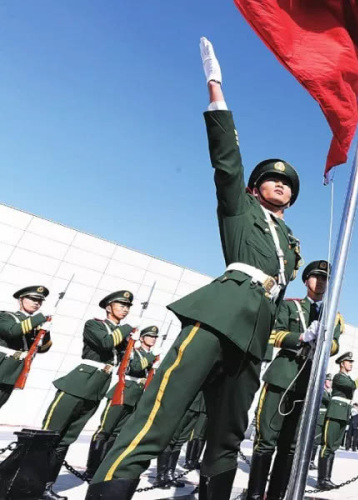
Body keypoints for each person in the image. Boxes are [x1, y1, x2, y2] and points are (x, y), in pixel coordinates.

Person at [88, 38, 304, 499]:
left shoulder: (290, 242)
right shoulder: (241, 210)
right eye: (271, 179)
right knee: (161, 410)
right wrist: (216, 91)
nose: (280, 185)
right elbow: (227, 163)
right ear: (255, 189)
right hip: (219, 315)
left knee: (228, 433)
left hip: (254, 336)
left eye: (287, 184)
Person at [246, 260, 343, 500]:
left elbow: (335, 346)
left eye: (325, 278)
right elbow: (272, 335)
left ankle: (277, 495)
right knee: (266, 441)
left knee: (290, 446)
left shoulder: (334, 316)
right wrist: (301, 337)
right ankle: (255, 495)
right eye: (316, 276)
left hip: (307, 384)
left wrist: (324, 341)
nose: (320, 282)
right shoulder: (290, 306)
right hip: (282, 376)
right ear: (306, 280)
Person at [42, 289, 135, 500]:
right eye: (121, 305)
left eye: (127, 307)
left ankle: (46, 486)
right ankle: (27, 481)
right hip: (77, 385)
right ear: (109, 307)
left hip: (96, 389)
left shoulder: (122, 335)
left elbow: (124, 362)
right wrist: (128, 329)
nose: (125, 309)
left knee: (66, 439)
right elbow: (106, 343)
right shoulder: (94, 325)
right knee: (50, 435)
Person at [85, 326, 159, 481]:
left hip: (135, 397)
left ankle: (103, 468)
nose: (153, 339)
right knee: (104, 431)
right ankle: (91, 469)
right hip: (122, 393)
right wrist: (151, 357)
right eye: (150, 336)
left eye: (155, 337)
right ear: (142, 338)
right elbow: (135, 367)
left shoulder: (150, 356)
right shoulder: (133, 351)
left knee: (116, 434)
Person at [318, 352, 358, 489]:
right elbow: (352, 386)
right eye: (349, 362)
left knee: (333, 447)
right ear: (342, 363)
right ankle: (322, 479)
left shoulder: (347, 378)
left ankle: (327, 478)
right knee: (327, 446)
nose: (351, 364)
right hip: (334, 414)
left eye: (351, 362)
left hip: (343, 415)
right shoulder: (339, 377)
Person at [0, 285, 54, 409]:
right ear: (21, 300)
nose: (37, 303)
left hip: (12, 372)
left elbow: (43, 348)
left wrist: (46, 332)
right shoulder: (6, 316)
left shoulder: (35, 323)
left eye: (40, 300)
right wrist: (40, 317)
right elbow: (13, 331)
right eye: (33, 299)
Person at [155, 392, 206, 489]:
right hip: (186, 402)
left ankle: (169, 474)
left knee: (180, 440)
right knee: (171, 437)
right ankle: (161, 476)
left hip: (199, 405)